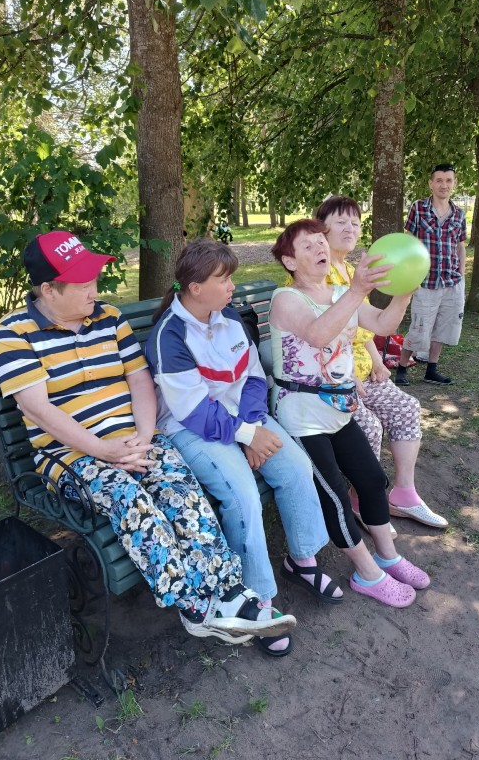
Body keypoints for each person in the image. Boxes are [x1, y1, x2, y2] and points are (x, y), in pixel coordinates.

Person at [0, 230, 295, 646]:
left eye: (94, 280)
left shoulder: (109, 318)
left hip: (136, 439)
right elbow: (37, 409)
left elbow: (140, 382)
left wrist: (144, 437)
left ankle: (228, 593)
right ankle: (196, 608)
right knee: (132, 500)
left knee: (182, 493)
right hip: (71, 456)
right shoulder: (13, 333)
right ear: (48, 289)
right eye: (83, 284)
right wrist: (103, 450)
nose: (94, 290)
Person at [145, 239, 342, 657]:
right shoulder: (170, 335)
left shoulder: (229, 316)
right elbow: (194, 412)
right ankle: (256, 602)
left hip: (242, 418)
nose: (232, 286)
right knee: (243, 496)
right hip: (193, 431)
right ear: (196, 288)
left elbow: (253, 377)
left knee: (295, 467)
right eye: (224, 279)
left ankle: (302, 561)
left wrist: (252, 426)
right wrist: (249, 436)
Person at [269, 219, 431, 608]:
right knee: (336, 496)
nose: (320, 248)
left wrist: (403, 294)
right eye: (307, 246)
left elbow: (382, 325)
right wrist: (358, 290)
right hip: (301, 417)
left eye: (321, 242)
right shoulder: (285, 299)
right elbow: (318, 335)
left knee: (372, 480)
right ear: (290, 261)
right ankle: (367, 573)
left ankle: (387, 556)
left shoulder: (341, 292)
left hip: (339, 411)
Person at [315, 195, 447, 530]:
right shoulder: (315, 274)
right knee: (369, 426)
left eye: (355, 222)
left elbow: (371, 325)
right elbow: (317, 336)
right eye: (341, 221)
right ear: (322, 228)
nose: (350, 228)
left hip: (359, 370)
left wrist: (405, 294)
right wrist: (346, 375)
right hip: (329, 379)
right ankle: (363, 498)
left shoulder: (349, 270)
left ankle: (404, 493)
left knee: (406, 407)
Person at [395, 163, 467, 387]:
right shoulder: (419, 208)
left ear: (454, 184)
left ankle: (431, 370)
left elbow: (460, 246)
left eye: (448, 180)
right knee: (419, 327)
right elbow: (409, 241)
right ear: (431, 184)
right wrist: (410, 272)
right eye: (439, 180)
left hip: (452, 281)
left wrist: (462, 273)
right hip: (425, 281)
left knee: (444, 328)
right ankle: (401, 368)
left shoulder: (459, 214)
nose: (444, 185)